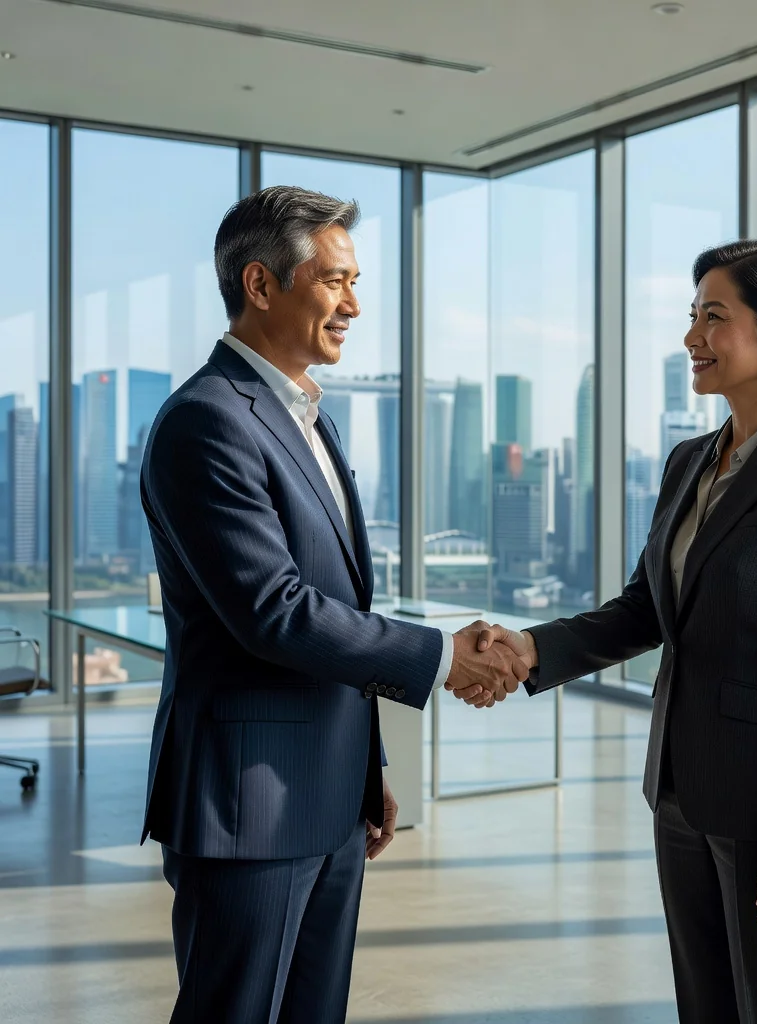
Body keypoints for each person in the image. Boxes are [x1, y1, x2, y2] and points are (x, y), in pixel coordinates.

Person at [459, 239, 757, 1023]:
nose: (693, 337)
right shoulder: (690, 462)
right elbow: (644, 612)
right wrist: (528, 649)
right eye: (692, 316)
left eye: (714, 318)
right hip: (682, 793)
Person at [140, 185, 525, 1024]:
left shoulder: (313, 420)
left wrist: (365, 772)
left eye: (356, 281)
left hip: (326, 795)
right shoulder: (207, 421)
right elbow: (273, 610)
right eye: (336, 280)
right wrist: (442, 654)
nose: (354, 303)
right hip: (250, 807)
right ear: (260, 284)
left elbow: (334, 599)